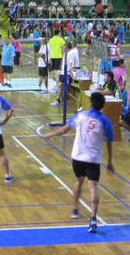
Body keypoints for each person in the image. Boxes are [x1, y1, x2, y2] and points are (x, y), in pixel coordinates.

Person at [42, 92, 114, 233]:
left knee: (78, 181)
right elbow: (109, 143)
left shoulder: (80, 116)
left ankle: (75, 209)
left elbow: (64, 130)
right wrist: (110, 161)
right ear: (102, 106)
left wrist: (50, 134)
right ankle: (93, 219)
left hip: (78, 156)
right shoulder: (106, 122)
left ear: (90, 103)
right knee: (93, 186)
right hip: (93, 158)